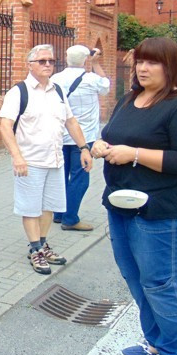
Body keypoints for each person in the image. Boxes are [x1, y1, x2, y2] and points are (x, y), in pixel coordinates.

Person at [91, 37, 177, 355]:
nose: (143, 68)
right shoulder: (131, 98)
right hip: (121, 206)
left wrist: (133, 154)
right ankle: (155, 341)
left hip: (162, 211)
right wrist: (101, 144)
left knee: (162, 282)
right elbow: (114, 135)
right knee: (137, 279)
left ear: (170, 67)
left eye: (152, 62)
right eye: (140, 61)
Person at [0, 44, 92, 275]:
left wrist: (84, 148)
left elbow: (71, 121)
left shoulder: (58, 90)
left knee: (49, 207)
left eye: (51, 60)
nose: (48, 64)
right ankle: (34, 250)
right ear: (30, 65)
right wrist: (17, 156)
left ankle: (42, 243)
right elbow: (5, 126)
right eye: (42, 61)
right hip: (30, 162)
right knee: (31, 209)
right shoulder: (19, 92)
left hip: (55, 160)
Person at [50, 45, 110, 231]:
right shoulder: (92, 79)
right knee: (80, 178)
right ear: (85, 60)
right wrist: (96, 63)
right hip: (83, 138)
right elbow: (106, 86)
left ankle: (58, 214)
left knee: (61, 175)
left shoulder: (55, 79)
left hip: (60, 135)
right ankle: (70, 218)